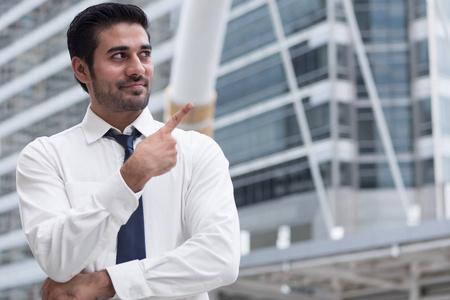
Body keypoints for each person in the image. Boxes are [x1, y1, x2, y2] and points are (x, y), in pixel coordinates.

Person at [16, 3, 240, 299]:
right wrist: (130, 177)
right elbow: (57, 261)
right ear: (82, 69)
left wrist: (107, 282)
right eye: (119, 56)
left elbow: (220, 259)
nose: (137, 68)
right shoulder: (45, 156)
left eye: (144, 54)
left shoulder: (197, 151)